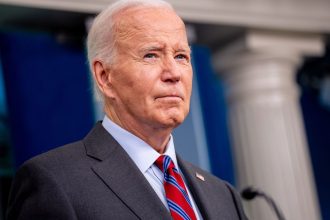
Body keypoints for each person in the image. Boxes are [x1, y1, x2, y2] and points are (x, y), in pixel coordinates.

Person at [6, 0, 248, 219]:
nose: (173, 73)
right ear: (105, 76)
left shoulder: (223, 195)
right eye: (151, 55)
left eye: (181, 56)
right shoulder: (54, 181)